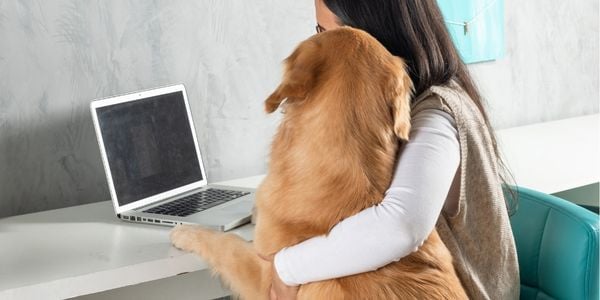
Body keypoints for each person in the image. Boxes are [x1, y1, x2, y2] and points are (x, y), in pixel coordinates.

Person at [263, 1, 520, 299]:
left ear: (362, 39)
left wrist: (287, 267)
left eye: (322, 32)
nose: (314, 44)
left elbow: (400, 226)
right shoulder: (395, 108)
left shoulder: (436, 115)